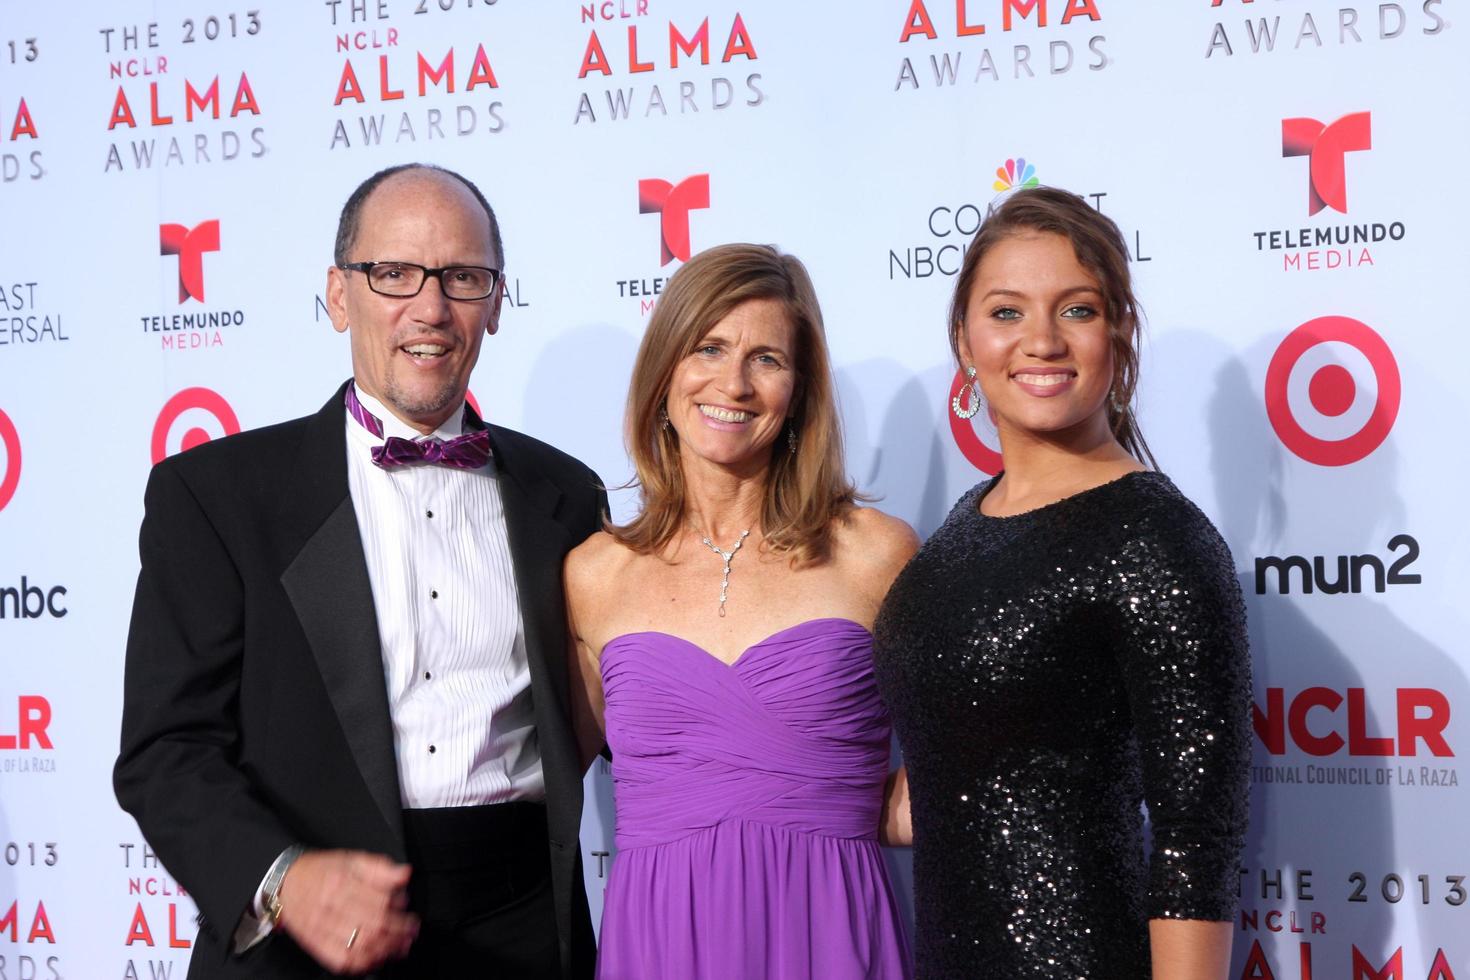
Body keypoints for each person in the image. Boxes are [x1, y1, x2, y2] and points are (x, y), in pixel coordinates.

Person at [115, 163, 604, 978]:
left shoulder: (566, 495)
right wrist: (283, 881)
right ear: (339, 294)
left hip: (525, 930)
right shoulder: (219, 495)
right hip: (310, 939)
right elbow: (165, 751)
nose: (431, 307)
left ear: (496, 300)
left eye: (464, 277)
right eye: (393, 273)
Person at [872, 187, 1251, 979]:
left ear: (1119, 334)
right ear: (965, 341)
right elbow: (955, 770)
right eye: (1007, 312)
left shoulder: (1158, 538)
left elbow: (1196, 837)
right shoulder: (970, 518)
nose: (1040, 341)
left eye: (1075, 310)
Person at [564, 243, 915, 979]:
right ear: (664, 371)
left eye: (766, 359)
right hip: (659, 943)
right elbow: (538, 776)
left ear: (800, 389)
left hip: (830, 934)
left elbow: (956, 763)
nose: (733, 382)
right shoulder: (595, 574)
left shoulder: (875, 555)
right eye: (709, 348)